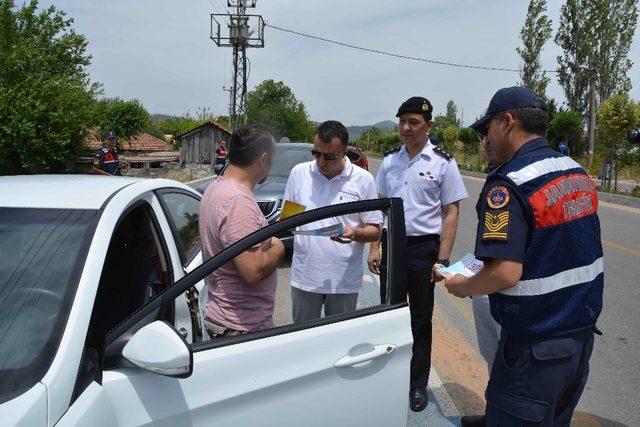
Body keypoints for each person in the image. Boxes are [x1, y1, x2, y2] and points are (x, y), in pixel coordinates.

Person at [444, 87, 604, 427]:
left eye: (487, 128)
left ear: (507, 122)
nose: (486, 138)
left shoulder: (508, 183)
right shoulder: (574, 171)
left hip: (535, 352)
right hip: (579, 341)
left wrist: (462, 287)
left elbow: (504, 273)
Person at [368, 97, 468, 412]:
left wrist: (443, 258)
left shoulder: (443, 162)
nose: (406, 128)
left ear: (428, 126)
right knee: (389, 314)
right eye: (402, 122)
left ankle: (416, 385)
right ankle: (388, 379)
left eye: (413, 122)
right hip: (393, 246)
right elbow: (380, 206)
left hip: (424, 249)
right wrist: (375, 245)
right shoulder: (389, 162)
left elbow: (451, 213)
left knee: (420, 319)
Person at [284, 120, 383, 323]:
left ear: (344, 152)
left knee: (339, 346)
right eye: (316, 154)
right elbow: (288, 219)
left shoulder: (363, 180)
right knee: (303, 343)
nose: (321, 162)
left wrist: (353, 233)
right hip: (306, 279)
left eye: (329, 157)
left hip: (343, 282)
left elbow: (375, 229)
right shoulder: (299, 173)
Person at [199, 124, 285, 338]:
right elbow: (252, 270)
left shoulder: (216, 187)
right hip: (242, 326)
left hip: (228, 319)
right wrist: (278, 246)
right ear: (263, 159)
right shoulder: (237, 200)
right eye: (272, 159)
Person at [471, 136, 502, 374]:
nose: (486, 144)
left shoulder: (519, 181)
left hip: (505, 290)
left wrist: (465, 285)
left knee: (508, 360)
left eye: (491, 136)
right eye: (484, 139)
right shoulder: (494, 176)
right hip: (484, 279)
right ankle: (491, 411)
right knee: (491, 356)